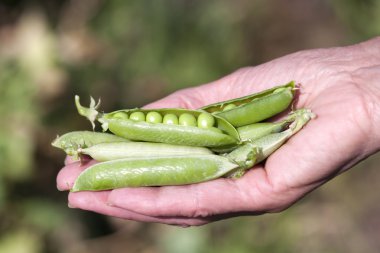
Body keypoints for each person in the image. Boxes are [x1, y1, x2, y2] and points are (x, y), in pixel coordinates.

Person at [57, 37, 380, 226]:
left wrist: (363, 90)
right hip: (235, 146)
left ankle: (270, 131)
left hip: (236, 145)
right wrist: (359, 77)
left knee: (213, 134)